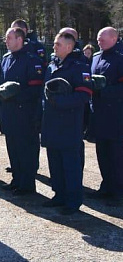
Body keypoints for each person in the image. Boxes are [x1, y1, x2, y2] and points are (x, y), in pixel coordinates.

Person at [41, 32, 92, 215]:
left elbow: (85, 94)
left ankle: (73, 200)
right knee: (54, 160)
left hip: (69, 122)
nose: (54, 47)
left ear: (69, 47)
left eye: (58, 44)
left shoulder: (79, 66)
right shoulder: (53, 63)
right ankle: (59, 195)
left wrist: (60, 102)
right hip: (52, 120)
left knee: (70, 163)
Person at [0, 27, 44, 195]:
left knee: (26, 149)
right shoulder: (6, 58)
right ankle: (16, 179)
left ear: (19, 40)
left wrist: (15, 94)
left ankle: (27, 184)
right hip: (9, 111)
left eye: (9, 38)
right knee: (13, 147)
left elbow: (36, 89)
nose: (6, 41)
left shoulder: (32, 60)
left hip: (25, 112)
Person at [89, 27, 123, 206]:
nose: (99, 42)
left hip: (116, 114)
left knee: (117, 153)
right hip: (99, 112)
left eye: (102, 39)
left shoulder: (120, 58)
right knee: (102, 152)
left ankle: (118, 189)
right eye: (98, 38)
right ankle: (106, 185)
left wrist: (105, 90)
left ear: (114, 38)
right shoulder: (95, 57)